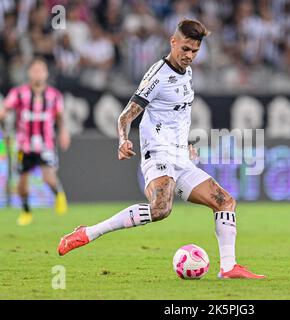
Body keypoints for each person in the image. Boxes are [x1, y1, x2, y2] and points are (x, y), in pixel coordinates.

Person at [57, 19, 265, 279]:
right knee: (160, 209)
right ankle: (88, 232)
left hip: (180, 156)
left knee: (225, 202)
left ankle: (228, 267)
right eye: (185, 49)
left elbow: (176, 115)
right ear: (173, 42)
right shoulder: (158, 75)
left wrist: (184, 143)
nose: (189, 56)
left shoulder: (187, 73)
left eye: (195, 51)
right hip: (158, 154)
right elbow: (126, 115)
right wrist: (123, 140)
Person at [0, 57, 70, 226]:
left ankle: (58, 194)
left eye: (41, 70)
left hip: (46, 145)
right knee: (22, 182)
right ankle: (25, 211)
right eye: (35, 70)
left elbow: (60, 117)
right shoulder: (19, 93)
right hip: (24, 146)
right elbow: (6, 109)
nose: (38, 73)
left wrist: (63, 133)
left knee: (49, 178)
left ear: (46, 73)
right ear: (29, 72)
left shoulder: (54, 95)